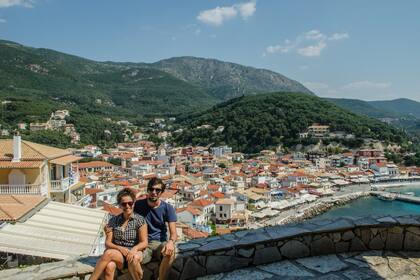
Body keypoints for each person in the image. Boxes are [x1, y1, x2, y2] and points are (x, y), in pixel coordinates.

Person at [90, 188, 148, 280]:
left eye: (130, 203)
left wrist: (134, 249)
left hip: (133, 252)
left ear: (133, 203)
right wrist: (120, 248)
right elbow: (107, 243)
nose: (127, 206)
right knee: (109, 263)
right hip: (118, 253)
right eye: (124, 204)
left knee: (109, 261)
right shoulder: (113, 220)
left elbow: (144, 242)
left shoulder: (140, 220)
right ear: (120, 205)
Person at [134, 177, 177, 280]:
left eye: (157, 190)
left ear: (161, 192)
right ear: (148, 190)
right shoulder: (139, 205)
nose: (154, 192)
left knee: (170, 253)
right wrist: (136, 197)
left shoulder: (168, 208)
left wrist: (170, 242)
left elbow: (174, 233)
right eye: (151, 189)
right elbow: (126, 210)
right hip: (143, 243)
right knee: (134, 259)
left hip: (159, 243)